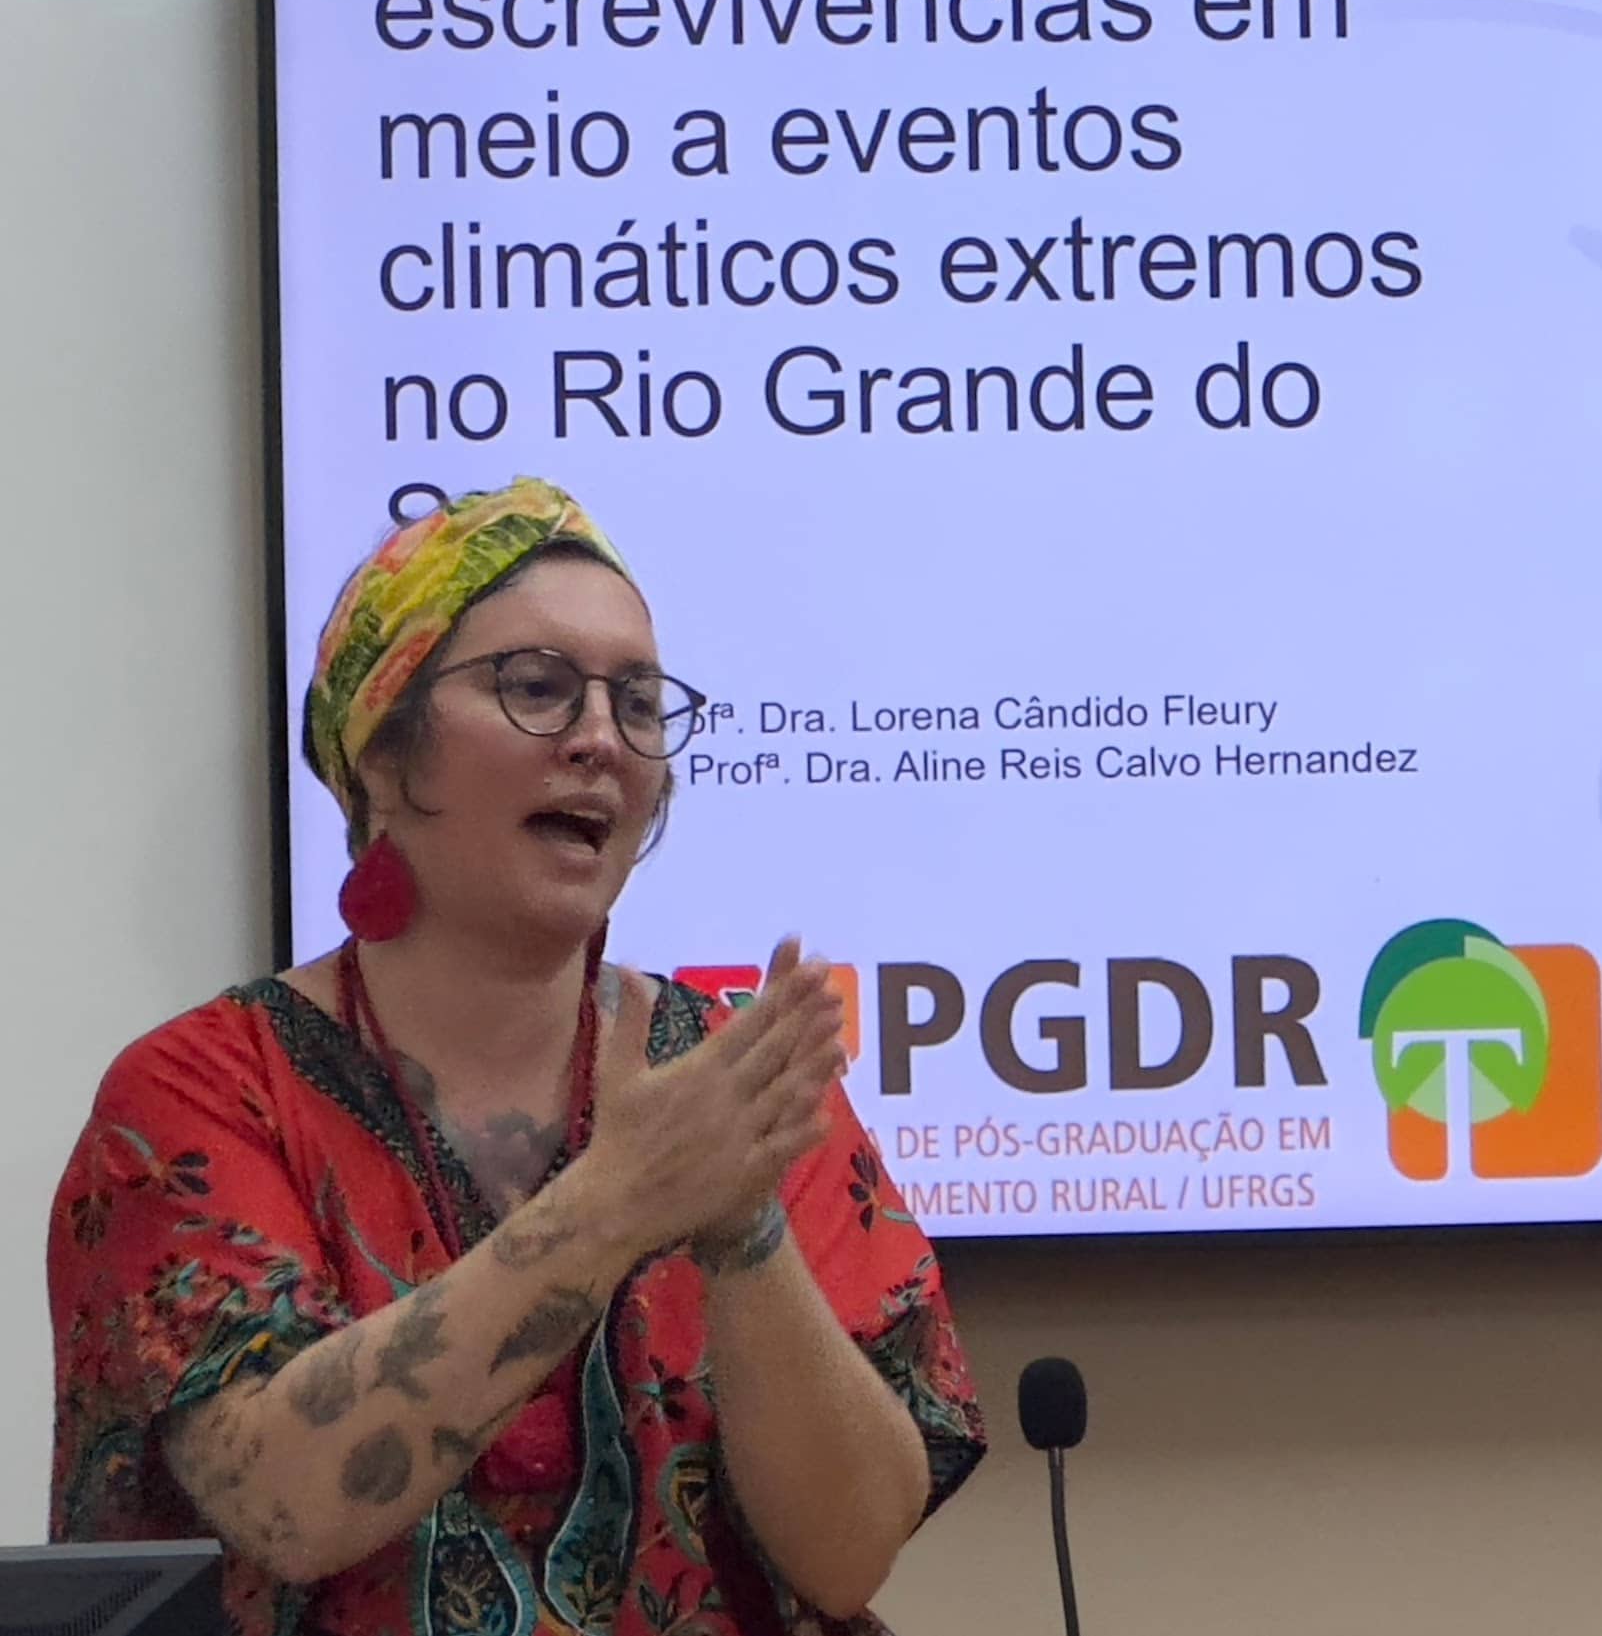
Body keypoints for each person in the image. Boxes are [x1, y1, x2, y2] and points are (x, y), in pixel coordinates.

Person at [47, 476, 986, 1636]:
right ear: (383, 755)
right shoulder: (204, 1089)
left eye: (638, 702)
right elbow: (281, 1504)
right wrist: (611, 1205)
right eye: (537, 687)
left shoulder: (729, 1083)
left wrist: (743, 1229)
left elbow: (848, 1560)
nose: (601, 738)